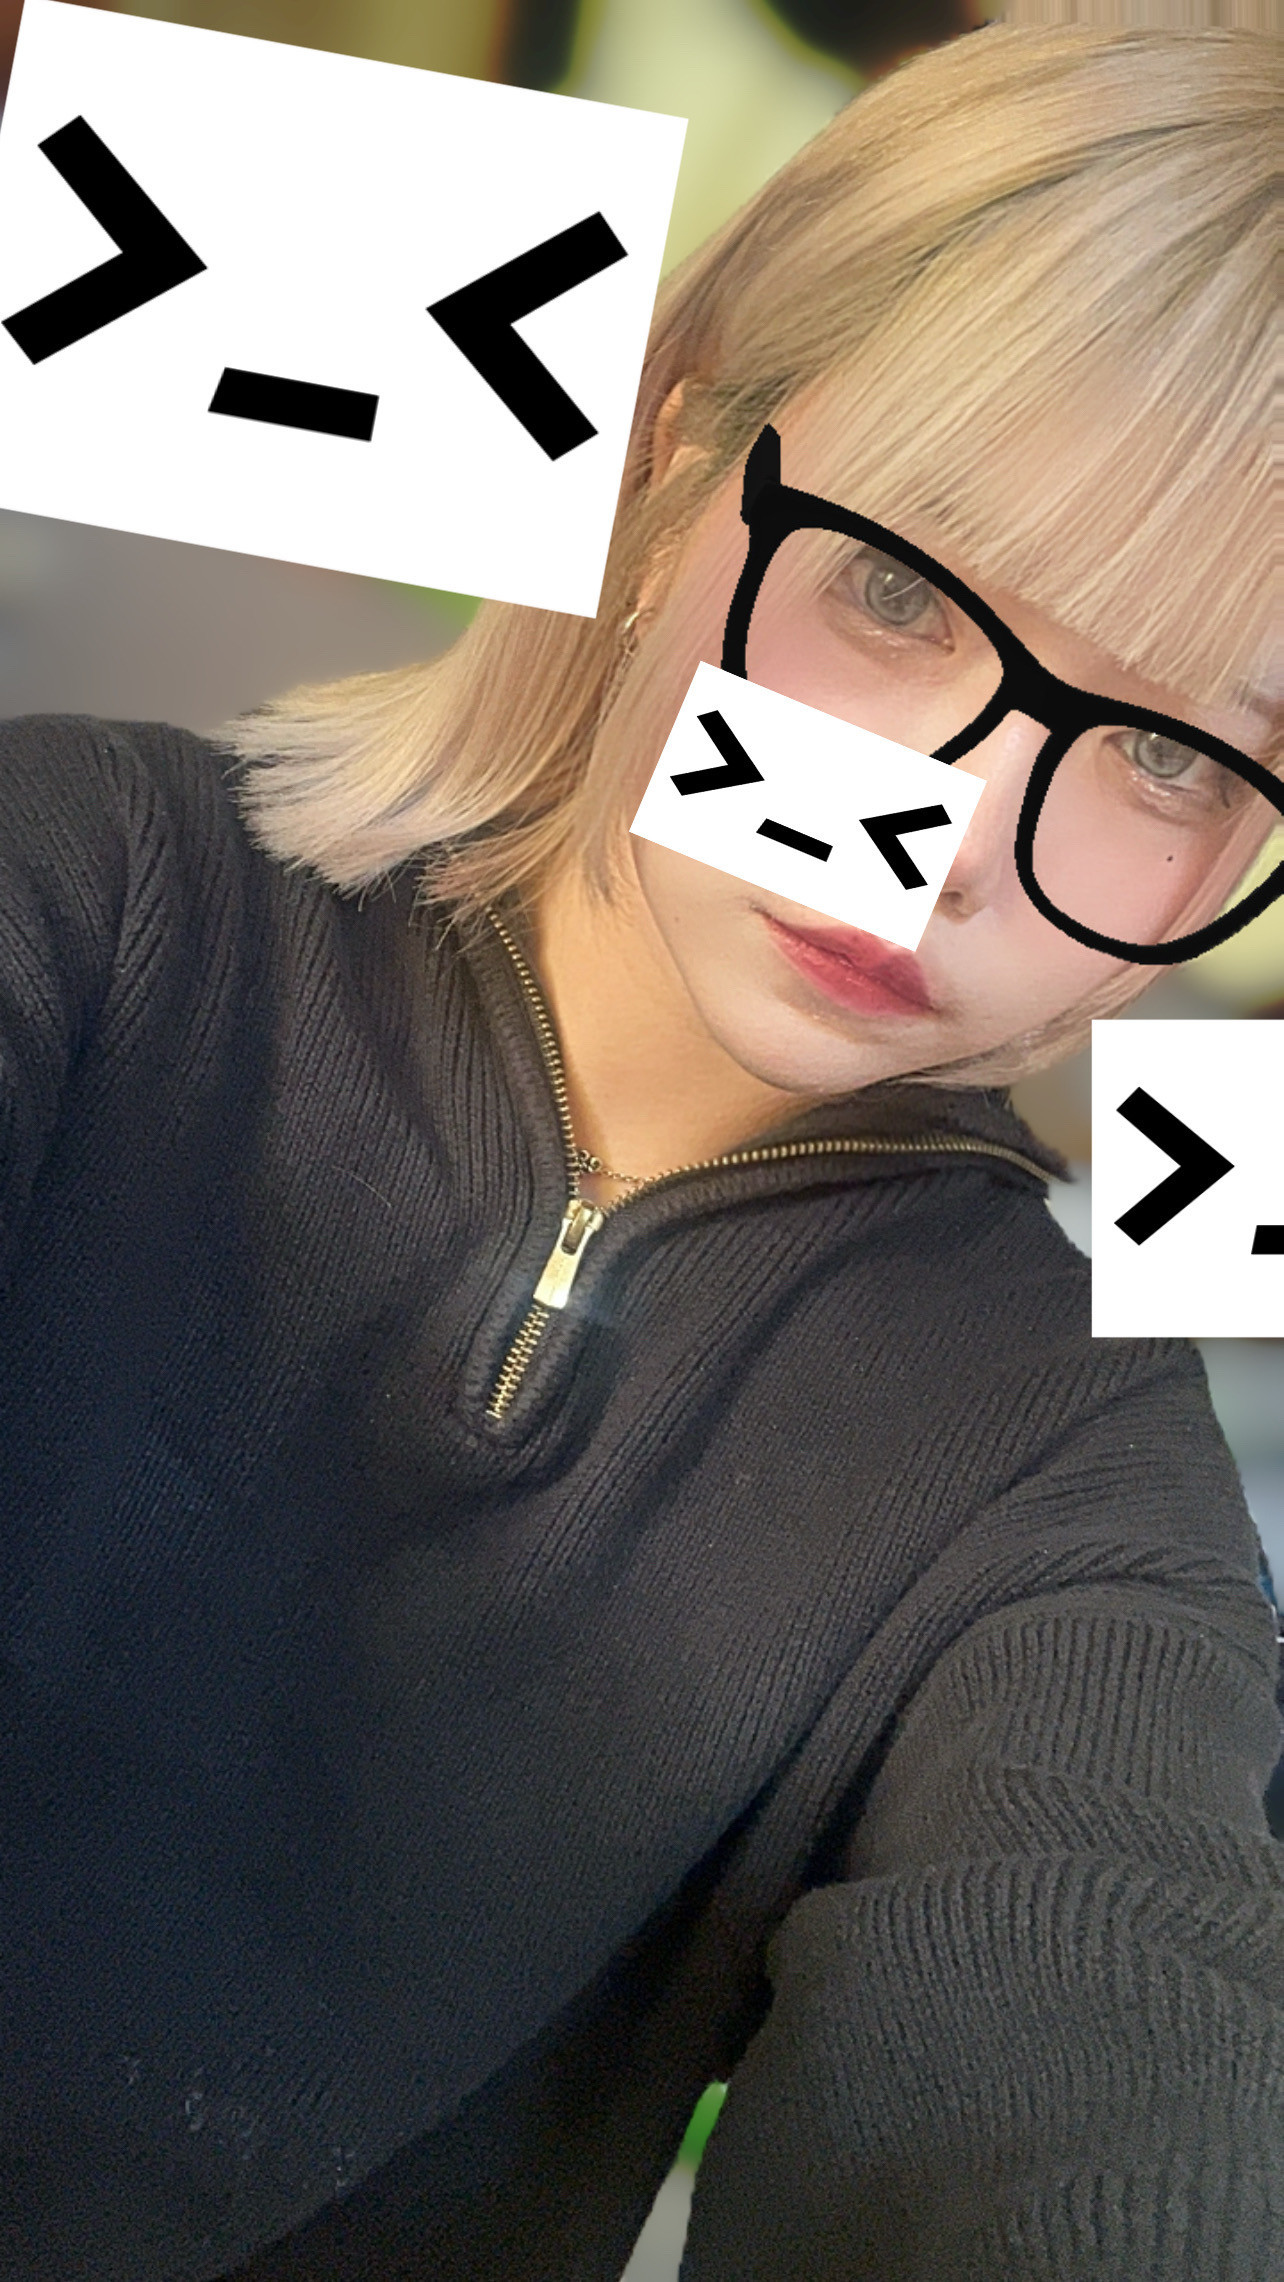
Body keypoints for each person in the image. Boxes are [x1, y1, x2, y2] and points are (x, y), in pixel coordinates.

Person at [0, 21, 1279, 2282]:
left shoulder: (1070, 1475)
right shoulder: (86, 889)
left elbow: (1098, 2018)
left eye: (1173, 752)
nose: (954, 840)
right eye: (896, 591)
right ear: (680, 460)